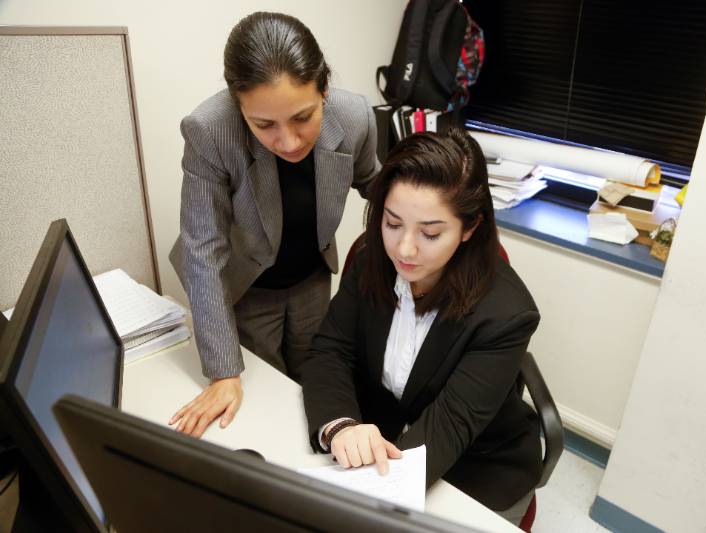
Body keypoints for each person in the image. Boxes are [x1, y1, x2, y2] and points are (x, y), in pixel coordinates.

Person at [301, 129, 543, 521]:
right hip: (387, 435)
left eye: (430, 233)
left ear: (469, 228)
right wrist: (341, 426)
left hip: (475, 464)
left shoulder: (506, 314)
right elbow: (331, 349)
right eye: (392, 223)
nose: (405, 249)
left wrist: (376, 495)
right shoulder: (370, 257)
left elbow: (450, 424)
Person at [168, 12, 379, 437]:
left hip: (312, 278)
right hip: (247, 287)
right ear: (237, 105)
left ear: (323, 89)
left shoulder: (354, 116)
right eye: (264, 125)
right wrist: (224, 372)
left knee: (311, 383)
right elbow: (201, 249)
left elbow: (376, 182)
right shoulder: (210, 130)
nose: (289, 142)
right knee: (256, 398)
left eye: (303, 117)